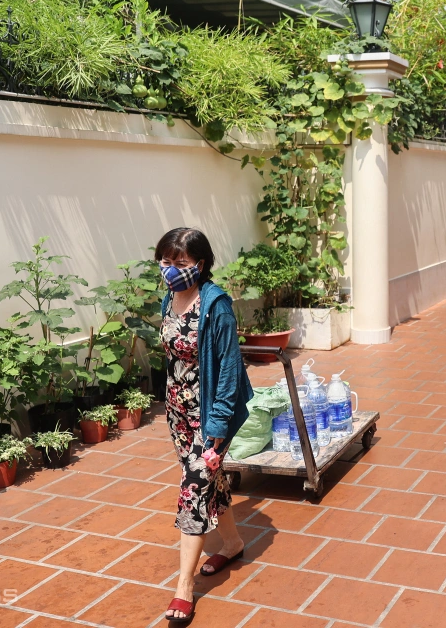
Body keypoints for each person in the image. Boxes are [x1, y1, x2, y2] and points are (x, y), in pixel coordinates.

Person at [156, 227, 253, 625]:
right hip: (179, 413)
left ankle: (183, 588)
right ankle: (232, 543)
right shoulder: (169, 298)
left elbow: (229, 370)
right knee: (210, 482)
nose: (171, 270)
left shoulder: (216, 305)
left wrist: (216, 429)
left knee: (194, 488)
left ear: (200, 263)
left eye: (180, 263)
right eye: (165, 262)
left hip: (212, 416)